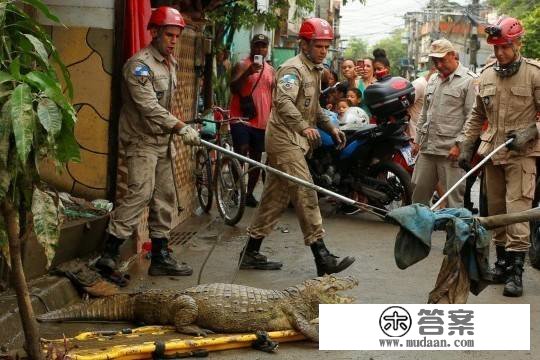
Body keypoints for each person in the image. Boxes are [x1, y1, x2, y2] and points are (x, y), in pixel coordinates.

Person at [241, 18, 355, 276]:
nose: (323, 51)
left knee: (274, 198)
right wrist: (304, 127)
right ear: (304, 44)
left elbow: (313, 108)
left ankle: (250, 252)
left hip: (296, 141)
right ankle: (322, 255)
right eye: (318, 46)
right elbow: (283, 103)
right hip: (284, 140)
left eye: (326, 46)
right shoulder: (292, 70)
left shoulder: (315, 70)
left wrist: (331, 127)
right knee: (306, 192)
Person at [96, 7, 201, 277]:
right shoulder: (139, 66)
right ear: (154, 32)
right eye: (169, 35)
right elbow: (149, 107)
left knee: (164, 197)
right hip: (141, 141)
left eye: (177, 36)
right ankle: (109, 251)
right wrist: (180, 127)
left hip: (162, 141)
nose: (174, 41)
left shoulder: (170, 62)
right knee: (140, 193)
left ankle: (160, 255)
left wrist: (175, 131)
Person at [458, 17, 540, 297]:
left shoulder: (534, 73)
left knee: (517, 211)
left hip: (522, 155)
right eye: (495, 48)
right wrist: (466, 145)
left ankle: (516, 272)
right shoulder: (487, 74)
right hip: (491, 154)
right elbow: (476, 115)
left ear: (517, 44)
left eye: (505, 47)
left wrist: (532, 130)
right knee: (496, 212)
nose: (499, 53)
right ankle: (503, 264)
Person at [411, 38, 477, 208]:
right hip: (427, 148)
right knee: (418, 196)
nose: (439, 65)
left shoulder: (469, 80)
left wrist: (459, 145)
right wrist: (417, 141)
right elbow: (425, 113)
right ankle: (417, 234)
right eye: (435, 61)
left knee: (453, 201)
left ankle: (454, 234)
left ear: (453, 55)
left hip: (451, 151)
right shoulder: (433, 79)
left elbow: (472, 118)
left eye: (442, 60)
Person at [229, 34, 275, 207]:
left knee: (256, 159)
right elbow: (233, 88)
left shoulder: (271, 70)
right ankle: (236, 190)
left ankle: (248, 194)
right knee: (241, 152)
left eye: (263, 46)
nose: (260, 49)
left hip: (262, 121)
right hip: (240, 118)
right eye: (257, 46)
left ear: (267, 48)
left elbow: (273, 94)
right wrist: (248, 72)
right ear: (251, 46)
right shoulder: (242, 65)